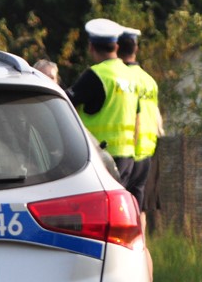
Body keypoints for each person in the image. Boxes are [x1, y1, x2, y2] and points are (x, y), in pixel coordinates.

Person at [67, 18, 141, 191]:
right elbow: (138, 119)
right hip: (127, 156)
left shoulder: (96, 75)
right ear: (116, 46)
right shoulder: (131, 76)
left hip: (101, 156)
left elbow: (66, 104)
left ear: (91, 47)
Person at [117, 26, 163, 212]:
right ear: (136, 48)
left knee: (120, 207)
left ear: (116, 47)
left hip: (125, 151)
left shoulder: (122, 78)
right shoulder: (149, 81)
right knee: (139, 207)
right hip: (147, 152)